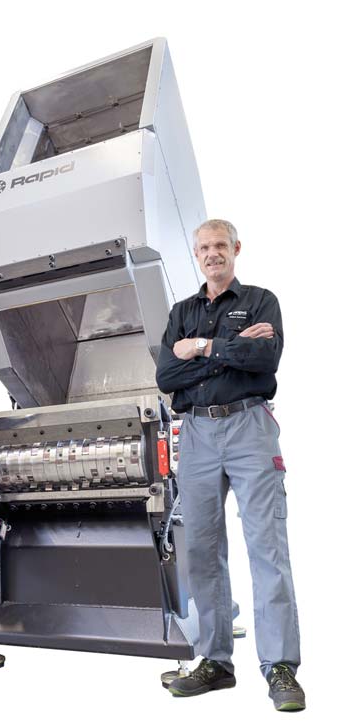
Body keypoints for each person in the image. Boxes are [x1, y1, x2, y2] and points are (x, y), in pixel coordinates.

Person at [155, 219, 305, 712]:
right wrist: (232, 350)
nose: (212, 253)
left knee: (266, 546)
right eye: (204, 247)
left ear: (236, 248)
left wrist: (200, 348)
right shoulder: (181, 311)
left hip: (249, 428)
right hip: (196, 433)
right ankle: (216, 661)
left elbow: (265, 359)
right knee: (201, 549)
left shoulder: (261, 301)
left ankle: (279, 666)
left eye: (220, 245)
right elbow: (166, 376)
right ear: (196, 254)